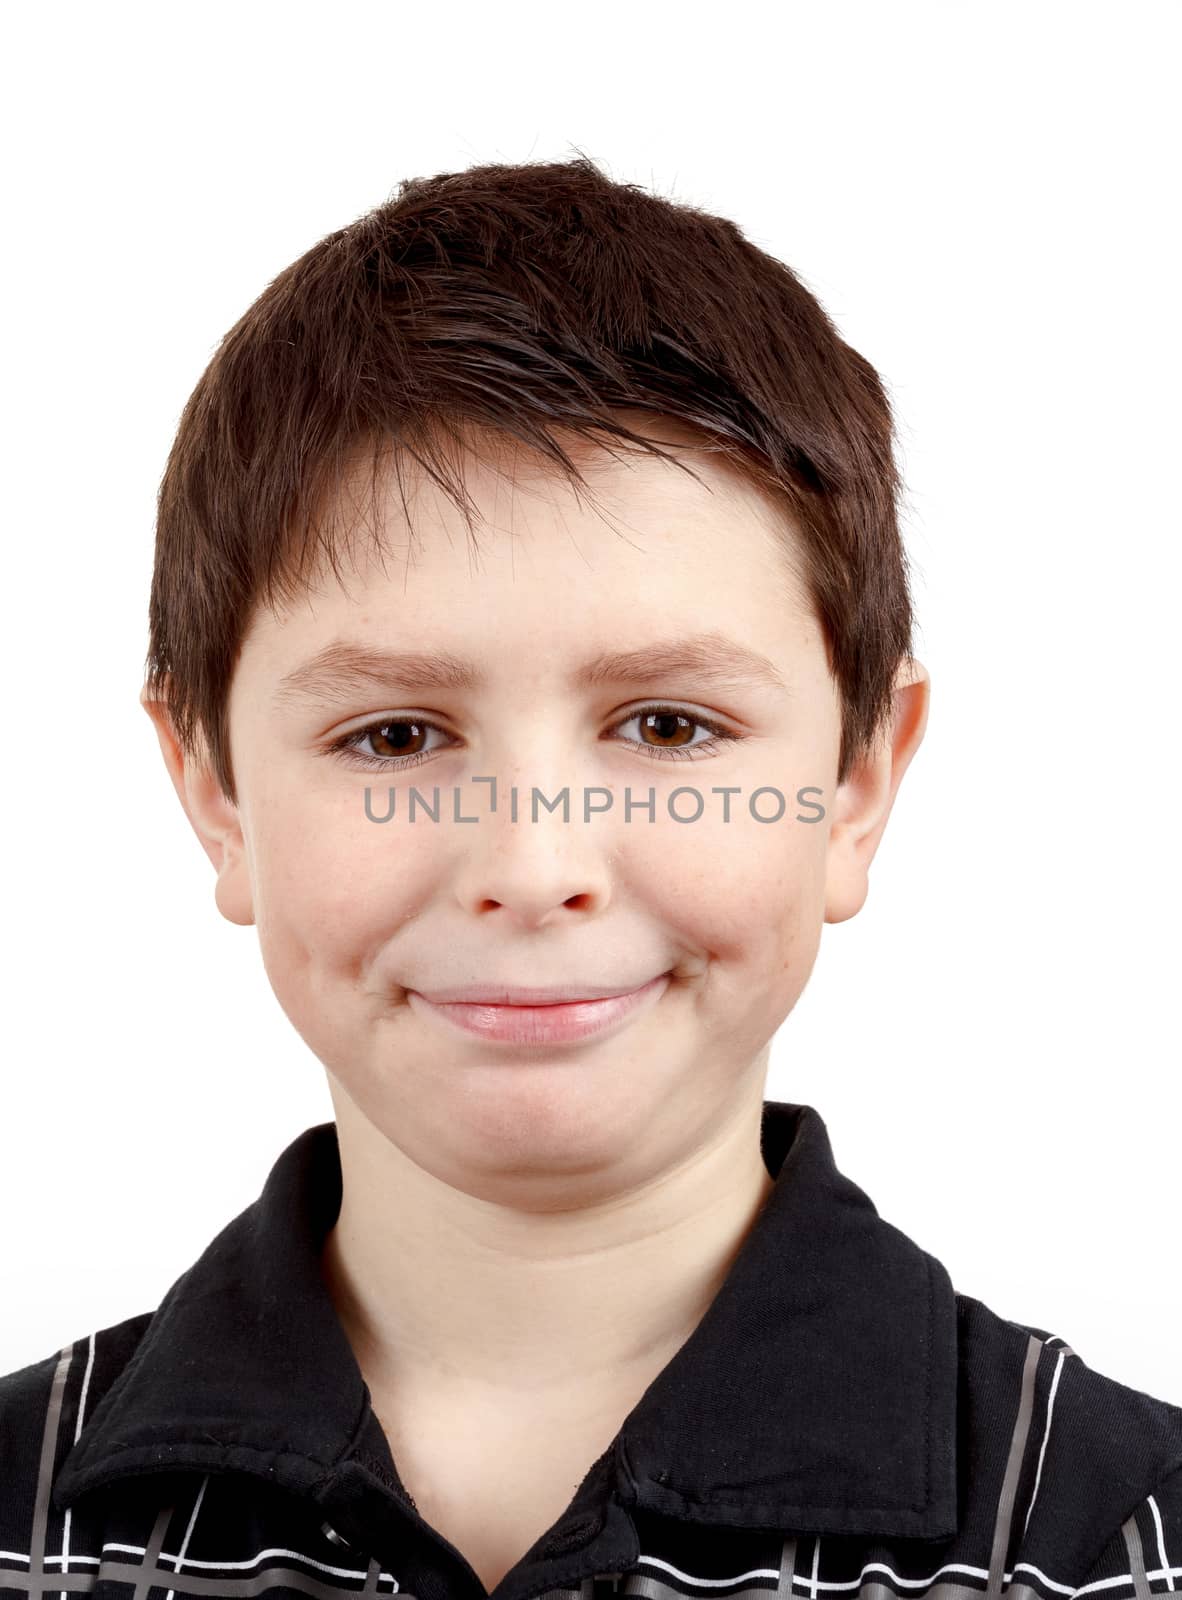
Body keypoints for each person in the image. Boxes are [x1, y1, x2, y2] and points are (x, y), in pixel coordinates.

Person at [1, 155, 1178, 1600]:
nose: (532, 864)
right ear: (216, 793)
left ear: (857, 783)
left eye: (668, 726)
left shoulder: (1125, 1541)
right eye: (395, 734)